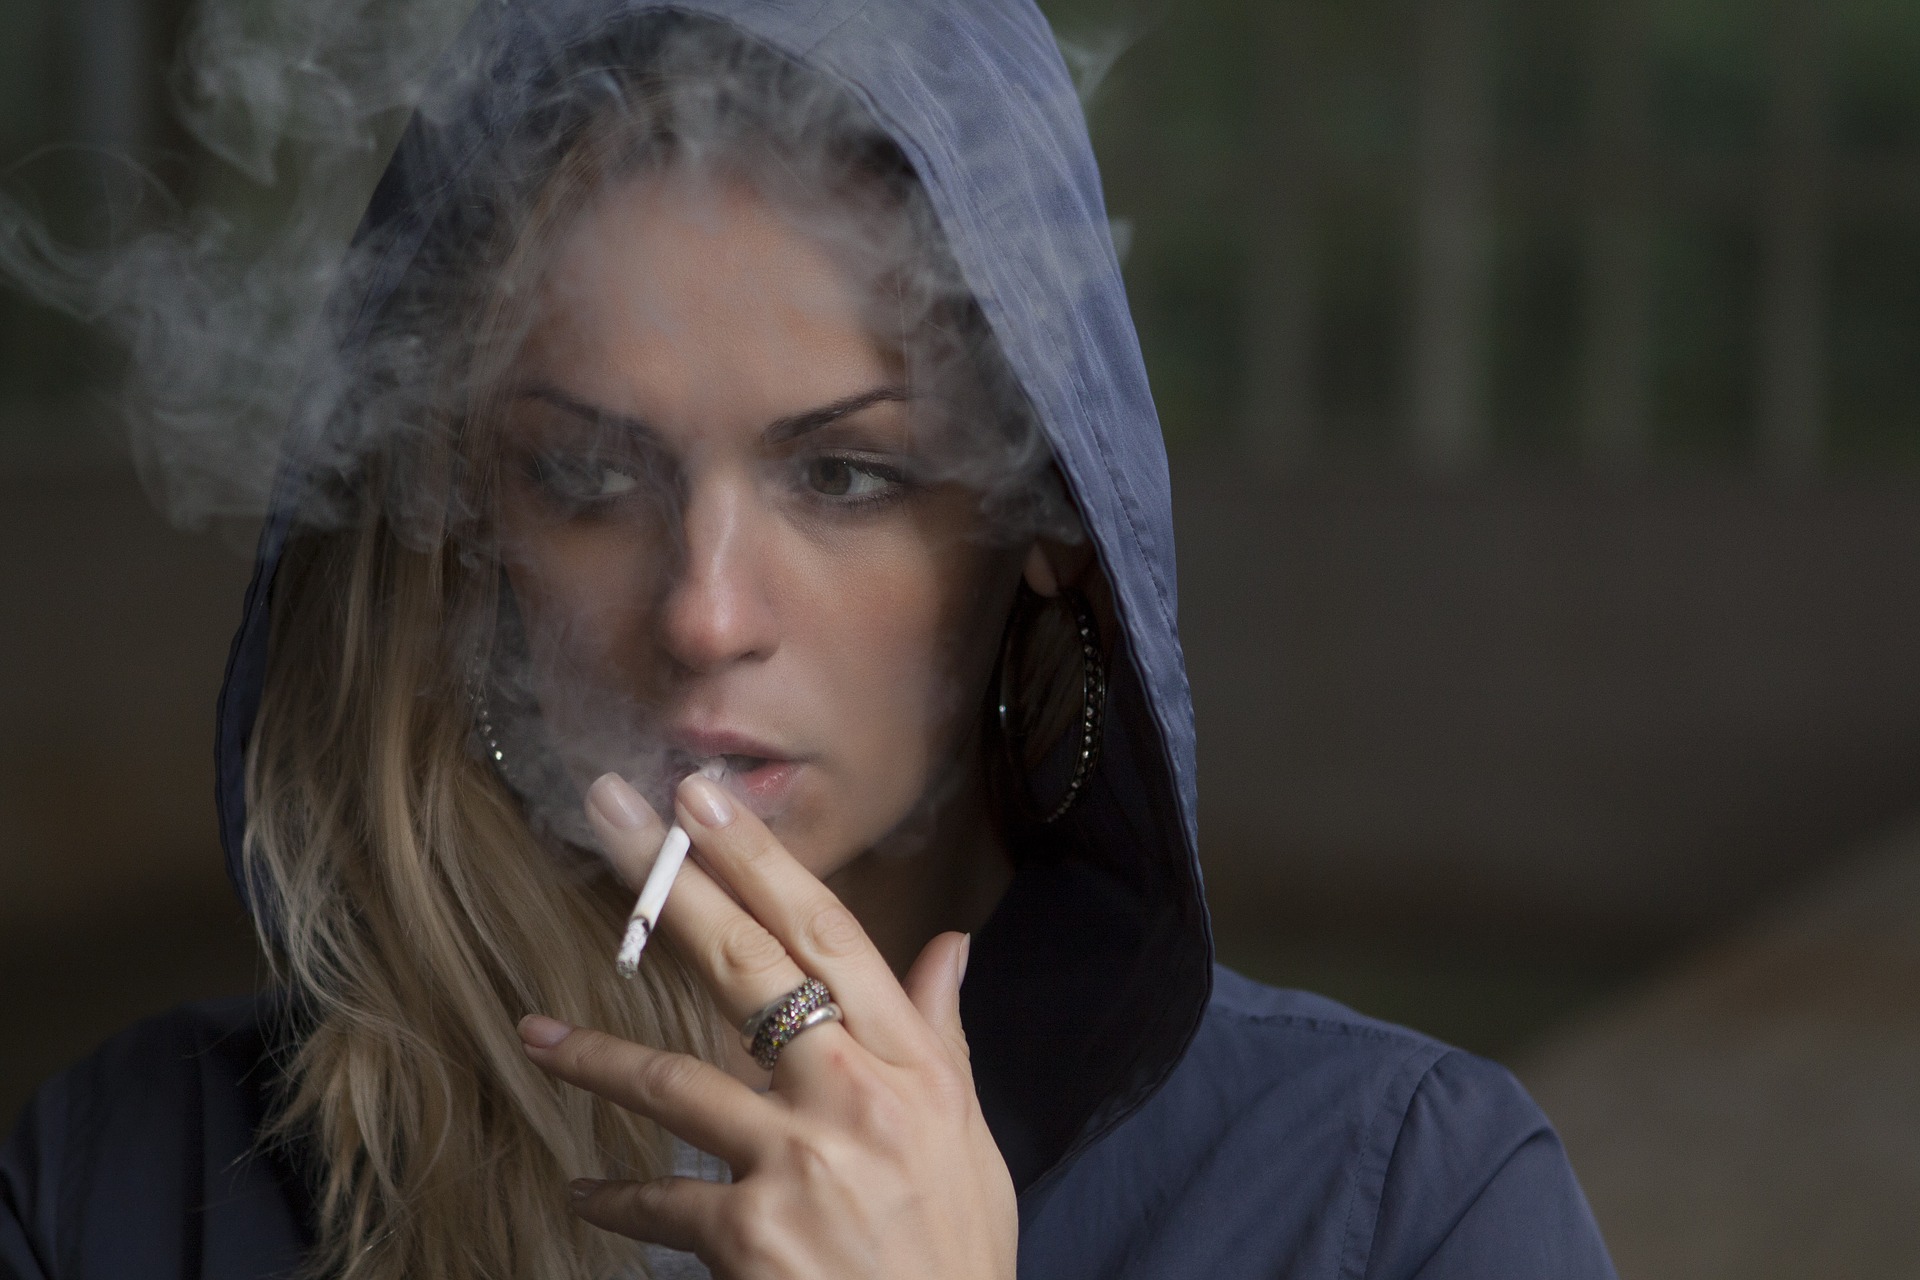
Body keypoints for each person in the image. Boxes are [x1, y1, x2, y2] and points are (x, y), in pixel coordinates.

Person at [0, 2, 1617, 1278]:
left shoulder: (1405, 1207)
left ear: (1043, 526)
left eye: (843, 475)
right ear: (468, 535)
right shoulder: (120, 1188)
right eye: (584, 476)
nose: (703, 613)